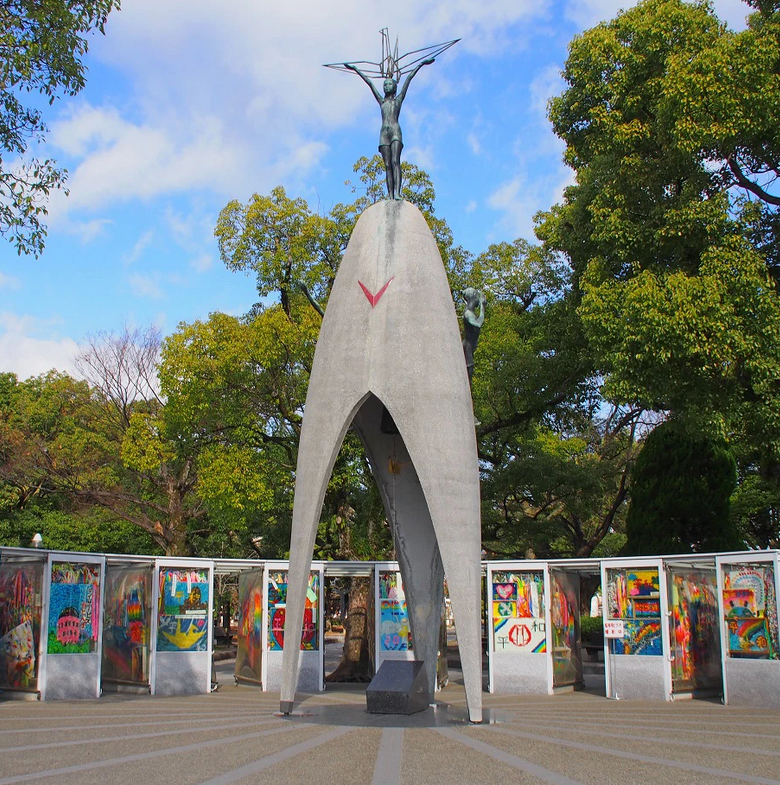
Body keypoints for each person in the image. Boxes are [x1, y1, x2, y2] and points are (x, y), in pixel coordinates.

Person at [344, 58, 434, 200]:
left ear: (394, 86)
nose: (386, 86)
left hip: (395, 132)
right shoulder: (381, 101)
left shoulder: (397, 100)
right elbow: (369, 83)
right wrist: (356, 69)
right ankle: (390, 194)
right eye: (385, 84)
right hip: (384, 134)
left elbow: (409, 78)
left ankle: (397, 193)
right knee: (387, 165)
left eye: (389, 84)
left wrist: (421, 64)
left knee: (395, 161)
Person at [462, 287, 486, 386]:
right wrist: (482, 308)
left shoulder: (471, 312)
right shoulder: (468, 313)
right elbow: (477, 324)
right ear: (474, 297)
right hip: (467, 346)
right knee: (469, 370)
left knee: (470, 372)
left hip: (471, 347)